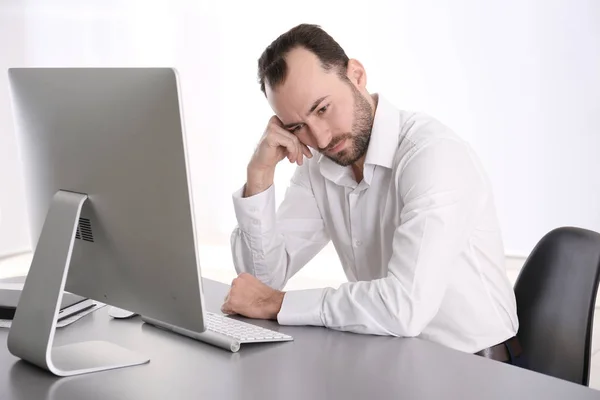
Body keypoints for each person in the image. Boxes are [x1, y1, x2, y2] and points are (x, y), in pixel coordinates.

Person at [221, 23, 523, 366]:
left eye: (322, 109)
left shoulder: (433, 155)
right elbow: (259, 283)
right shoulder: (320, 163)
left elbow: (404, 306)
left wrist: (279, 304)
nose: (319, 138)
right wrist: (258, 177)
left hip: (478, 370)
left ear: (357, 75)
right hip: (395, 358)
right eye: (297, 127)